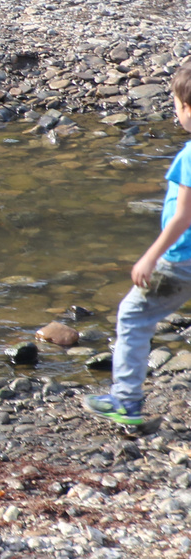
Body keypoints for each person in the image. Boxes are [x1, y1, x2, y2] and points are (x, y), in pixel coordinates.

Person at [84, 64, 191, 426]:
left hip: (178, 262)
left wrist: (150, 256)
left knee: (133, 318)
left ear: (189, 109)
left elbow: (182, 218)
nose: (176, 112)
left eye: (177, 104)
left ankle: (125, 401)